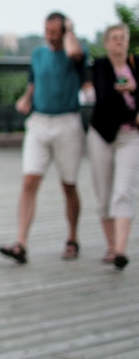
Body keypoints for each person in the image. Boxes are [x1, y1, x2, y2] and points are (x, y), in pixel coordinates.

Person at [0, 11, 86, 265]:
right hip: (38, 123)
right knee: (29, 181)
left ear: (64, 31)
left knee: (68, 185)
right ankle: (21, 243)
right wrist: (26, 98)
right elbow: (33, 83)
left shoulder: (75, 51)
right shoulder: (37, 54)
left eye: (55, 32)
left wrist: (70, 31)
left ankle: (72, 237)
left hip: (67, 123)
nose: (50, 37)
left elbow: (75, 54)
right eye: (47, 31)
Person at [86, 24, 139, 271]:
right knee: (103, 193)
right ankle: (110, 244)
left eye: (123, 38)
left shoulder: (136, 64)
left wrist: (135, 89)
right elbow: (105, 98)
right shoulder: (100, 66)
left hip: (130, 135)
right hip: (102, 135)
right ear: (106, 43)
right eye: (114, 38)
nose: (119, 42)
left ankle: (120, 249)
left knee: (124, 190)